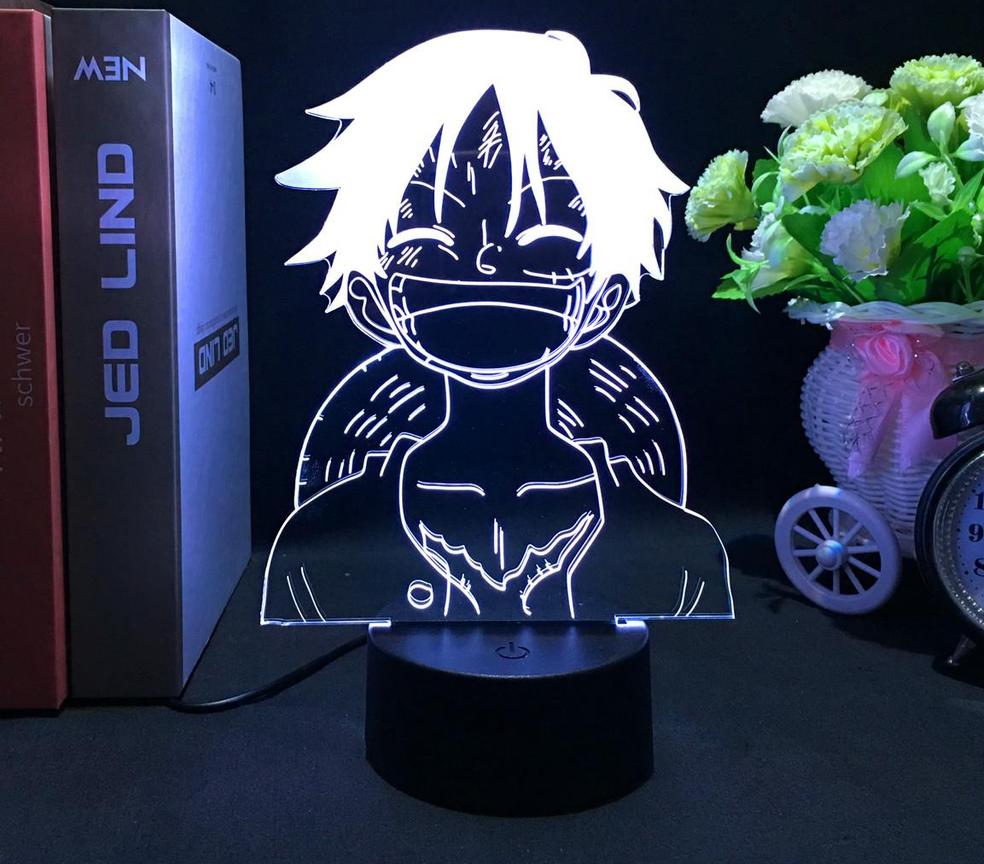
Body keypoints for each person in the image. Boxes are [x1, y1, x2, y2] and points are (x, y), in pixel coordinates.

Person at [261, 30, 732, 624]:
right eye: (428, 243)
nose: (487, 262)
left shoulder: (678, 554)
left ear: (605, 299)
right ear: (370, 299)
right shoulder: (317, 554)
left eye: (546, 244)